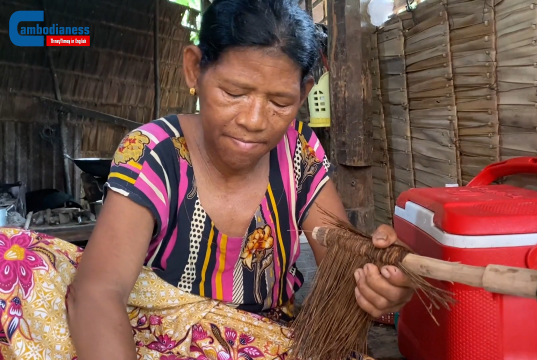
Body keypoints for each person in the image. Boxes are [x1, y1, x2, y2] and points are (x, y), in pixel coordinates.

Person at [0, 0, 414, 358]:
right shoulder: (154, 152)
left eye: (279, 101)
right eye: (234, 92)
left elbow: (341, 260)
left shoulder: (299, 151)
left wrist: (377, 279)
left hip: (263, 344)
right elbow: (98, 292)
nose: (253, 120)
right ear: (194, 69)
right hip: (152, 344)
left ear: (303, 94)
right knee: (14, 256)